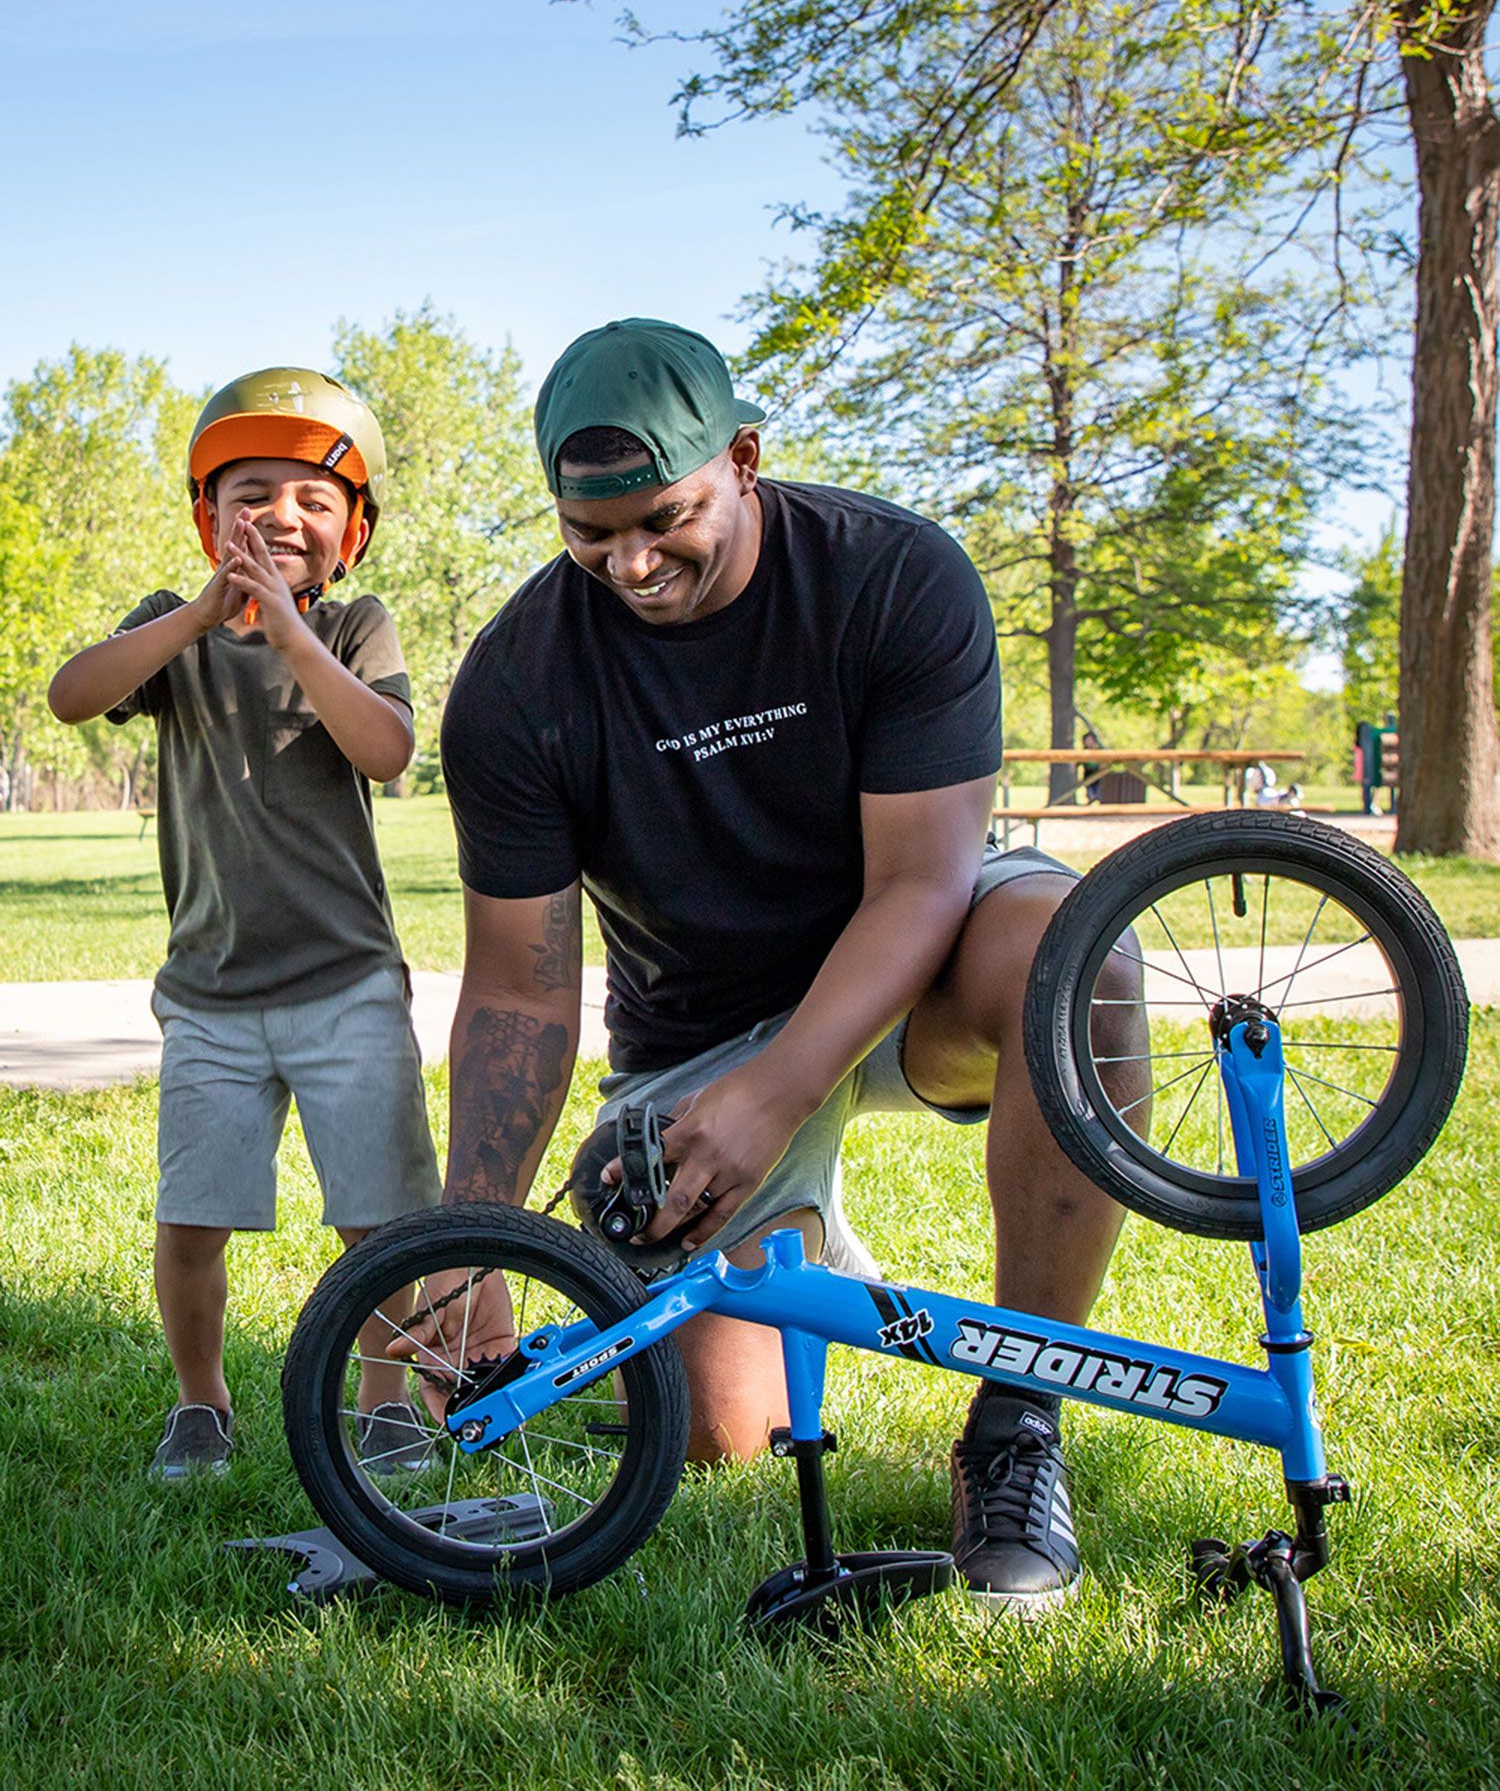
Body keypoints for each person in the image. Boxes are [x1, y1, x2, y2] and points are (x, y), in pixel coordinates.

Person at [422, 318, 1144, 1615]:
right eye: (592, 537)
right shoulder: (520, 683)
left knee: (1075, 954)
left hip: (916, 957)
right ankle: (806, 1245)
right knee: (719, 1437)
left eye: (665, 519)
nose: (631, 564)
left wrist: (778, 1096)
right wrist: (474, 1244)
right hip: (695, 1032)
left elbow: (920, 883)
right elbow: (520, 991)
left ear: (743, 458)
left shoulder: (892, 577)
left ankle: (1021, 1423)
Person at [48, 368, 441, 1481]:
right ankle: (201, 1402)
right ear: (207, 520)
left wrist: (290, 637)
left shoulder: (358, 625)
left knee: (379, 1215)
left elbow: (388, 751)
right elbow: (72, 697)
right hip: (211, 995)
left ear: (351, 532)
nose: (282, 516)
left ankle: (385, 1395)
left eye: (313, 500)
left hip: (350, 985)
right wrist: (197, 618)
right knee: (194, 1217)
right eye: (253, 494)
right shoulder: (170, 639)